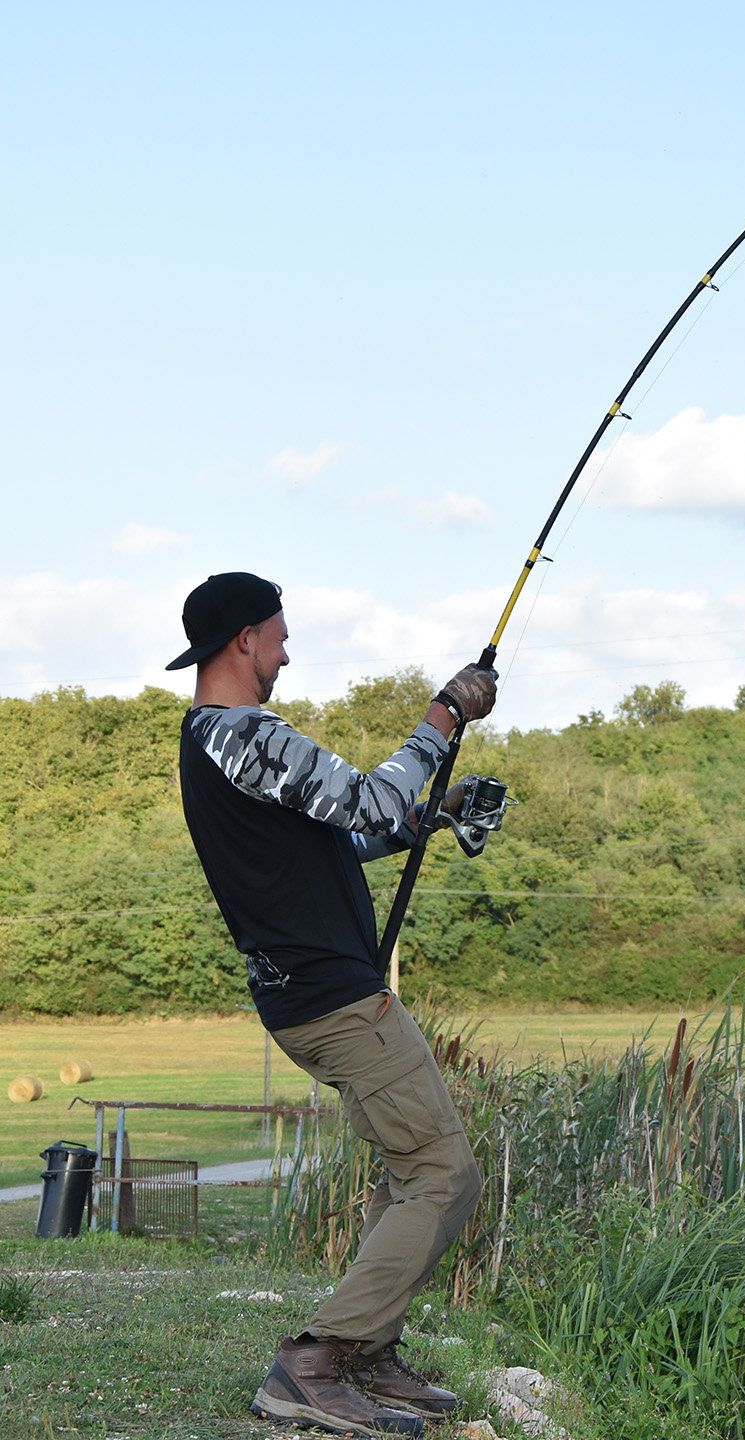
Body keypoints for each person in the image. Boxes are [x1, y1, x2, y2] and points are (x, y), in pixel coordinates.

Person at [168, 571, 497, 1438]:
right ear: (243, 640)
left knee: (408, 1168)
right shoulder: (244, 735)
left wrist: (435, 816)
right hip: (337, 997)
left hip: (313, 994)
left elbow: (348, 836)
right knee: (443, 1175)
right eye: (278, 634)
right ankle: (315, 1362)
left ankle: (366, 1352)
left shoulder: (219, 745)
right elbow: (369, 794)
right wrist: (443, 717)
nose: (286, 648)